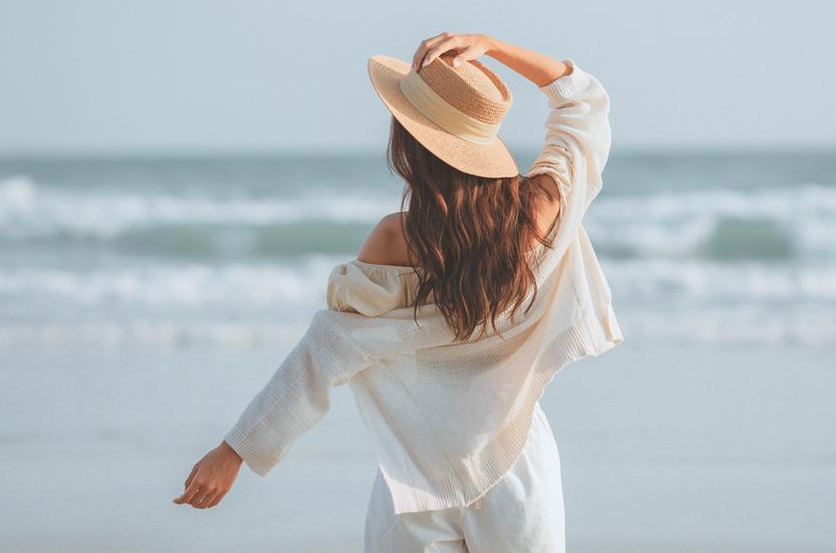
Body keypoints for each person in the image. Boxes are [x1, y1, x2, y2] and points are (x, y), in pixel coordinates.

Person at [173, 32, 621, 552]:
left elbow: (326, 351)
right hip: (517, 461)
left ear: (411, 142)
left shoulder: (395, 238)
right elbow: (582, 102)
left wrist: (234, 451)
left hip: (415, 472)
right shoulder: (541, 212)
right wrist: (492, 47)